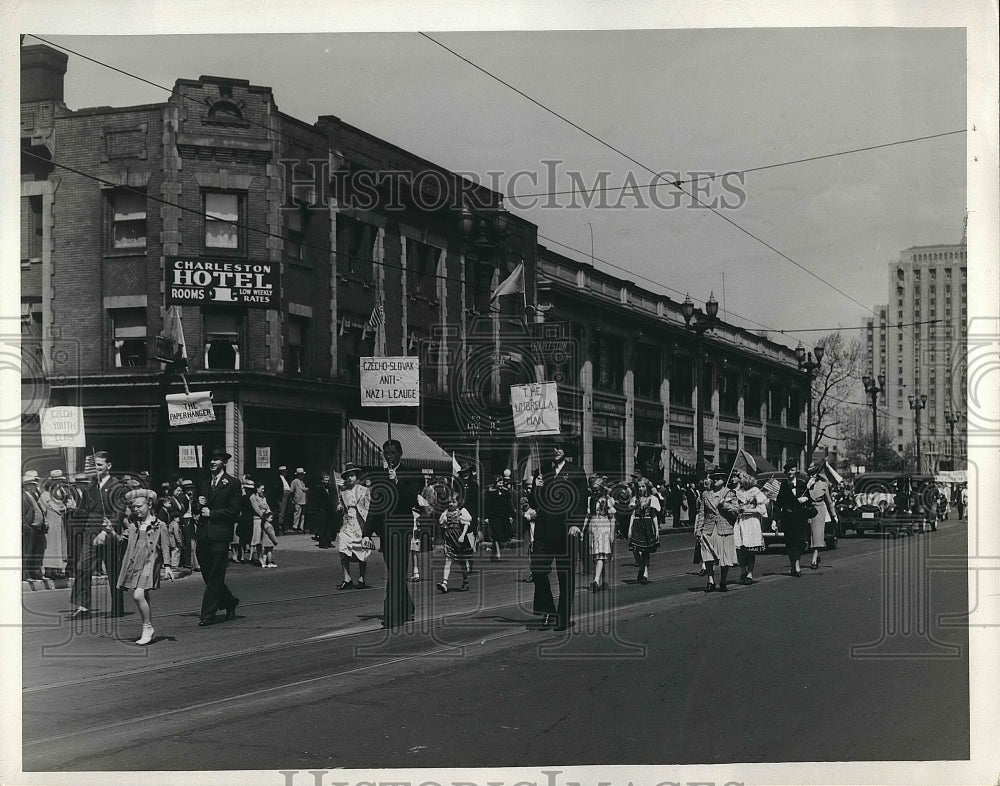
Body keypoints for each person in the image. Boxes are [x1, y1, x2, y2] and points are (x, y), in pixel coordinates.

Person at [362, 441, 423, 628]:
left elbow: (409, 499)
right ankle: (407, 606)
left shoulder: (413, 474)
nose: (389, 456)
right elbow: (375, 505)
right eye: (386, 453)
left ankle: (391, 614)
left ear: (400, 454)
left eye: (393, 453)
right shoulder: (380, 476)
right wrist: (366, 533)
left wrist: (396, 482)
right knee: (395, 571)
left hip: (402, 529)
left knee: (396, 572)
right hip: (385, 531)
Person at [531, 441, 588, 631]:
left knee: (565, 576)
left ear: (566, 451)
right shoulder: (542, 471)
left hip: (566, 531)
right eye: (552, 447)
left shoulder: (576, 471)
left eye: (559, 447)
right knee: (538, 571)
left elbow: (581, 501)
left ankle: (563, 617)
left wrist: (577, 525)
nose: (555, 451)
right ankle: (547, 611)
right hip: (543, 531)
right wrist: (536, 486)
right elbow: (534, 502)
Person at [69, 452, 127, 619]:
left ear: (109, 466)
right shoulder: (91, 486)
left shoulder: (117, 487)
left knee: (113, 571)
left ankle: (117, 607)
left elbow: (118, 512)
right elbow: (87, 511)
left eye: (100, 465)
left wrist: (105, 532)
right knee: (82, 568)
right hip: (90, 533)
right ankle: (83, 607)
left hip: (108, 532)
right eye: (95, 466)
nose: (97, 469)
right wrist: (74, 508)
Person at [116, 488, 174, 645]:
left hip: (150, 563)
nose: (136, 510)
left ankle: (147, 628)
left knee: (138, 595)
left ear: (149, 504)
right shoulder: (134, 525)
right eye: (134, 507)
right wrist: (110, 531)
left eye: (139, 506)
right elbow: (122, 539)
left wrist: (168, 566)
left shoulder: (159, 525)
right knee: (144, 596)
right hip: (135, 563)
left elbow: (165, 545)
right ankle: (147, 628)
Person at [195, 448, 242, 626]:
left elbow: (234, 511)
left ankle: (207, 614)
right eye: (211, 459)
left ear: (224, 462)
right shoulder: (204, 482)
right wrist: (198, 505)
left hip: (220, 536)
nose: (212, 462)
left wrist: (212, 513)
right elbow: (195, 509)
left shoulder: (233, 483)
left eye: (216, 459)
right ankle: (229, 601)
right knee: (208, 574)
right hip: (203, 535)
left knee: (215, 576)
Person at [696, 476, 739, 591]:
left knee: (724, 557)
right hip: (709, 528)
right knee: (708, 555)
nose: (715, 480)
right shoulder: (706, 494)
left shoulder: (729, 493)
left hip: (724, 528)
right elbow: (702, 513)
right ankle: (710, 580)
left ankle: (723, 580)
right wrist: (699, 529)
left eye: (719, 478)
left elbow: (737, 511)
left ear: (724, 480)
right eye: (714, 478)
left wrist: (725, 505)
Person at [336, 463, 373, 589]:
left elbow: (368, 508)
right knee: (342, 547)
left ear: (356, 477)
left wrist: (369, 527)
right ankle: (347, 578)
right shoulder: (343, 492)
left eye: (352, 475)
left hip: (360, 523)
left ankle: (361, 578)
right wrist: (340, 507)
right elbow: (342, 507)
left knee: (362, 551)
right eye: (348, 476)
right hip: (348, 523)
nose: (350, 478)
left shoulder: (363, 490)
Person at [775, 462, 810, 577]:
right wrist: (775, 519)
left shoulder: (802, 484)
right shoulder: (783, 485)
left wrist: (805, 499)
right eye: (788, 470)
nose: (790, 472)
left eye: (792, 470)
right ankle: (792, 565)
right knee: (790, 543)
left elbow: (809, 499)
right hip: (787, 517)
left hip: (799, 518)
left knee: (798, 542)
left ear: (796, 471)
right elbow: (778, 502)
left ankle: (797, 564)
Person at [732, 471, 767, 585]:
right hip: (740, 521)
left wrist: (747, 510)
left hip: (751, 521)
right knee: (740, 549)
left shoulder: (755, 491)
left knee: (750, 550)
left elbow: (762, 509)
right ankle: (743, 571)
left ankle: (750, 573)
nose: (739, 480)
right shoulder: (737, 492)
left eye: (740, 478)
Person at [436, 493, 474, 593]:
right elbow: (443, 524)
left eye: (453, 502)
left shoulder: (461, 512)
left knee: (461, 562)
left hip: (458, 537)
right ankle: (444, 583)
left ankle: (465, 580)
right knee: (448, 560)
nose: (451, 504)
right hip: (449, 538)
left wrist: (462, 536)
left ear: (458, 502)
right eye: (449, 502)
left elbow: (466, 524)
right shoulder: (445, 512)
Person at [585, 475, 615, 592]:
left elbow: (612, 517)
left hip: (604, 527)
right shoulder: (590, 500)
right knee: (596, 555)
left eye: (597, 490)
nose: (594, 492)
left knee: (600, 554)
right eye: (593, 490)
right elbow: (588, 515)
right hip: (594, 527)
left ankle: (596, 580)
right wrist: (583, 529)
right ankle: (603, 580)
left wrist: (612, 533)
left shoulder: (608, 500)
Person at [627, 479, 660, 584]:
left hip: (647, 524)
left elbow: (653, 515)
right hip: (637, 524)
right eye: (639, 487)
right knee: (635, 548)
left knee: (646, 550)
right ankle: (641, 566)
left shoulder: (652, 499)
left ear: (647, 487)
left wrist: (656, 529)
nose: (641, 489)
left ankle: (645, 572)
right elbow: (632, 514)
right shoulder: (635, 499)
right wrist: (629, 528)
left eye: (643, 486)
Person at [806, 461, 837, 570]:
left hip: (819, 509)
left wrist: (834, 515)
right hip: (807, 509)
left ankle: (814, 558)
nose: (812, 475)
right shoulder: (806, 484)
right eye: (810, 473)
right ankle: (815, 553)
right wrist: (808, 486)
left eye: (814, 473)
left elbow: (829, 502)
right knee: (808, 535)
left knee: (818, 535)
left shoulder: (824, 484)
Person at [40, 470, 70, 578]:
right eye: (56, 481)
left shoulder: (59, 492)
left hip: (59, 520)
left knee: (58, 546)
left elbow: (64, 503)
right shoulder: (46, 494)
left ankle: (56, 570)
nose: (58, 484)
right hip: (51, 520)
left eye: (59, 481)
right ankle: (49, 570)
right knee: (51, 546)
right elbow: (43, 509)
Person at [21, 470, 46, 581]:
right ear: (27, 486)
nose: (35, 486)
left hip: (38, 528)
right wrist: (25, 527)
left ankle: (36, 573)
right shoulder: (23, 497)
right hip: (30, 528)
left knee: (37, 551)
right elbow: (21, 514)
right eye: (33, 484)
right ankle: (26, 575)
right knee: (28, 552)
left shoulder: (34, 496)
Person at [484, 474, 515, 562]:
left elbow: (508, 505)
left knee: (501, 536)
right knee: (497, 534)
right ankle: (497, 554)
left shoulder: (505, 493)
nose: (501, 485)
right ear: (495, 483)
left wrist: (510, 515)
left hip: (504, 517)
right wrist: (486, 517)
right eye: (499, 483)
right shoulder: (490, 493)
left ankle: (493, 553)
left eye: (502, 483)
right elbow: (487, 506)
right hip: (494, 517)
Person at [309, 472, 338, 549]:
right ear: (322, 480)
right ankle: (322, 543)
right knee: (322, 527)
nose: (327, 481)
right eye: (325, 480)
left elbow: (333, 495)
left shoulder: (330, 488)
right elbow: (315, 499)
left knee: (329, 526)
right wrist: (319, 508)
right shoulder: (318, 488)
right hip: (322, 510)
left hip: (329, 510)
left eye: (328, 480)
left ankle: (328, 542)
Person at [249, 482, 273, 565]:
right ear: (257, 489)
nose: (263, 490)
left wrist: (269, 514)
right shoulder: (253, 497)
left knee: (265, 539)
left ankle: (265, 557)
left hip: (265, 520)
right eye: (262, 489)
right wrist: (264, 515)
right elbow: (256, 509)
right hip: (258, 520)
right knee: (257, 540)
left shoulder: (264, 497)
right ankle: (259, 557)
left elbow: (267, 507)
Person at [290, 468, 308, 532]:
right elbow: (291, 490)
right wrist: (293, 498)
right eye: (301, 474)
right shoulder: (294, 481)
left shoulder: (302, 482)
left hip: (303, 499)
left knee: (303, 514)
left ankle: (301, 526)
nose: (303, 476)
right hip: (297, 499)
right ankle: (295, 526)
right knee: (297, 513)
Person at [276, 465, 293, 533]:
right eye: (284, 472)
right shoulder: (279, 478)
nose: (285, 473)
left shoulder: (285, 479)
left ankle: (284, 526)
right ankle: (280, 526)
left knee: (286, 510)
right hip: (283, 494)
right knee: (282, 510)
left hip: (287, 493)